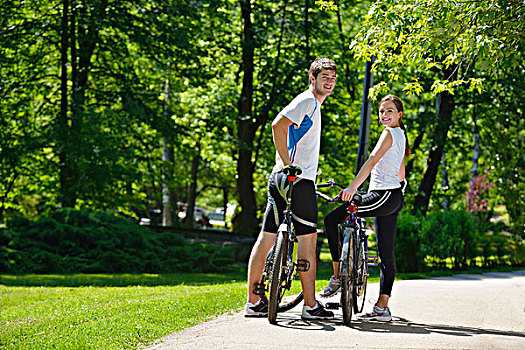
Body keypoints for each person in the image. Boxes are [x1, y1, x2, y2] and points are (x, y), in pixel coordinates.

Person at [245, 58, 337, 320]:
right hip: (297, 180)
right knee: (308, 240)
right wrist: (289, 164)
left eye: (332, 79)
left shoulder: (313, 106)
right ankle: (310, 306)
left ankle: (253, 302)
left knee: (267, 237)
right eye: (324, 78)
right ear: (312, 79)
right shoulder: (307, 101)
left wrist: (284, 167)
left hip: (278, 179)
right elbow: (277, 125)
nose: (328, 82)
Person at [321, 94, 410, 322]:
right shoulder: (401, 135)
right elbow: (401, 171)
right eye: (381, 111)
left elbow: (371, 160)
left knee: (331, 220)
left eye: (389, 111)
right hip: (391, 196)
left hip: (383, 195)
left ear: (399, 114)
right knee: (385, 253)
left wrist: (351, 188)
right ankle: (382, 307)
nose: (384, 115)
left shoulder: (389, 133)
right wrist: (399, 186)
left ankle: (337, 277)